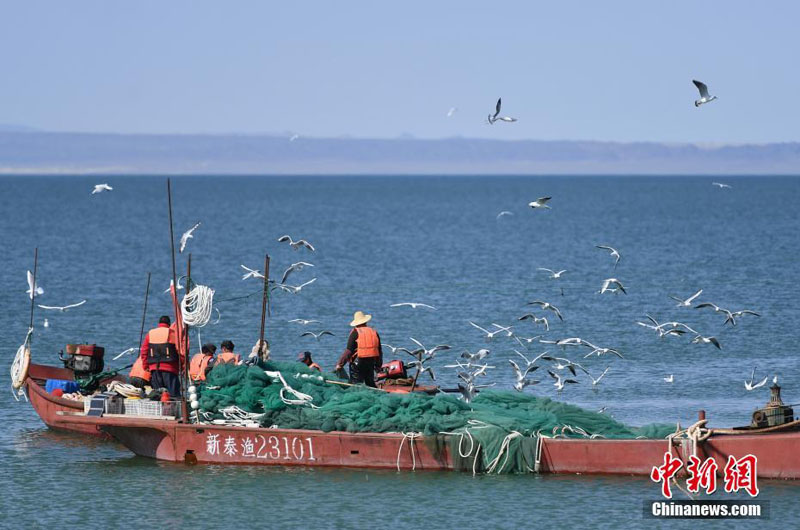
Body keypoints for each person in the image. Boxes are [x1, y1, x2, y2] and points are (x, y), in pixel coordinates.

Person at [335, 310, 383, 387]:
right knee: (370, 383)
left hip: (358, 363)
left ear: (356, 323)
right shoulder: (374, 332)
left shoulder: (355, 333)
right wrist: (378, 366)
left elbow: (348, 351)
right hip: (371, 362)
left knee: (356, 384)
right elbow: (379, 351)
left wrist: (340, 364)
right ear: (365, 322)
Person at [140, 315, 182, 397]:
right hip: (170, 369)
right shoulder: (172, 333)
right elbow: (181, 351)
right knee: (173, 396)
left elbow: (144, 351)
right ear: (169, 324)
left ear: (159, 323)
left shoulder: (150, 333)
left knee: (157, 395)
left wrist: (146, 366)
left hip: (154, 369)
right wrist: (182, 366)